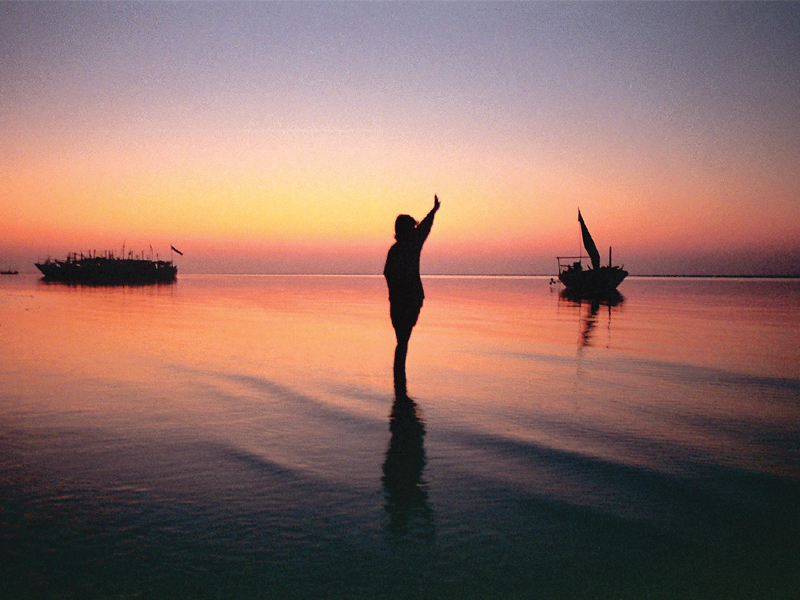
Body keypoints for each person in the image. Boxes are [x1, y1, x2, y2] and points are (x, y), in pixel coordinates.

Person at [383, 194, 440, 392]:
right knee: (402, 343)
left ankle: (400, 387)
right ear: (405, 230)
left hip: (405, 301)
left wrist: (433, 212)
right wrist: (433, 212)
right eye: (412, 228)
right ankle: (400, 387)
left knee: (402, 343)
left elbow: (423, 228)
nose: (415, 230)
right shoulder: (406, 247)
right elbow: (423, 230)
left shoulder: (397, 249)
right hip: (405, 301)